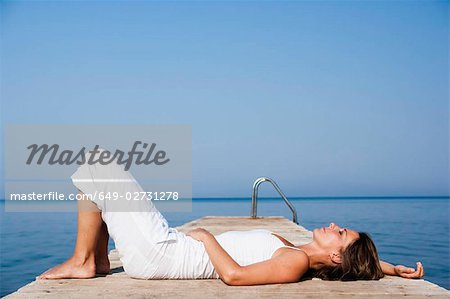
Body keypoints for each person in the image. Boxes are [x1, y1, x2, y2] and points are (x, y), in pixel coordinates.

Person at [38, 161, 424, 285]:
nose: (334, 224)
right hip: (168, 246)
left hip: (162, 256)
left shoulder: (296, 262)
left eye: (340, 233)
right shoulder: (297, 250)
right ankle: (94, 259)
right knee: (96, 170)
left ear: (337, 257)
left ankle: (86, 261)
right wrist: (389, 268)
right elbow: (358, 263)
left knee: (99, 166)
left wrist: (206, 238)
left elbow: (235, 277)